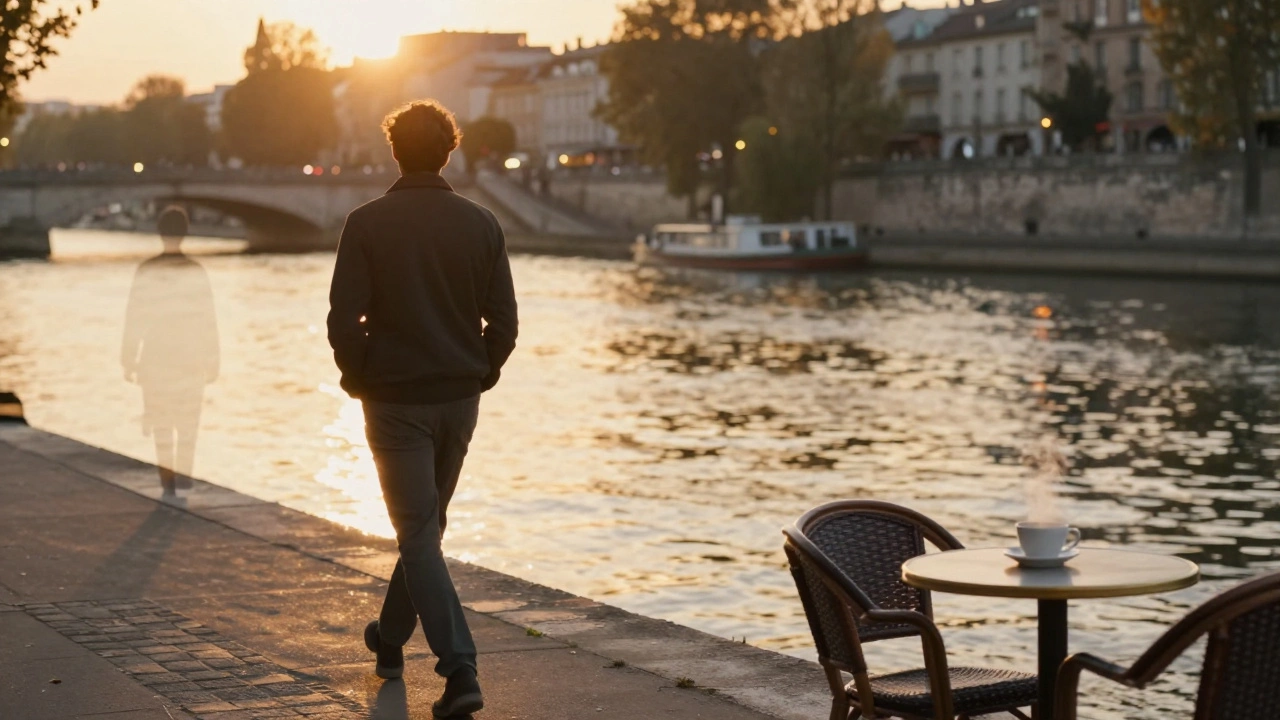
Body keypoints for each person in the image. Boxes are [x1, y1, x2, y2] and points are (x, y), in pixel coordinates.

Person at [327, 99, 518, 718]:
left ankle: (460, 670)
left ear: (393, 152)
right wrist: (481, 371)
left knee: (417, 533)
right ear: (449, 151)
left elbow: (342, 319)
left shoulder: (365, 222)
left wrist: (359, 376)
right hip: (459, 399)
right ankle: (388, 641)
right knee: (426, 531)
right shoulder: (483, 223)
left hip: (394, 399)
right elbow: (506, 322)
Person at [121, 206, 220, 497]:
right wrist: (213, 361)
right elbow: (208, 319)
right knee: (188, 419)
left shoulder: (147, 270)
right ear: (186, 232)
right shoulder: (196, 271)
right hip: (190, 355)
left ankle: (167, 482)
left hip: (155, 355)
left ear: (159, 232)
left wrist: (129, 358)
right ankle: (185, 476)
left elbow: (134, 316)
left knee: (161, 418)